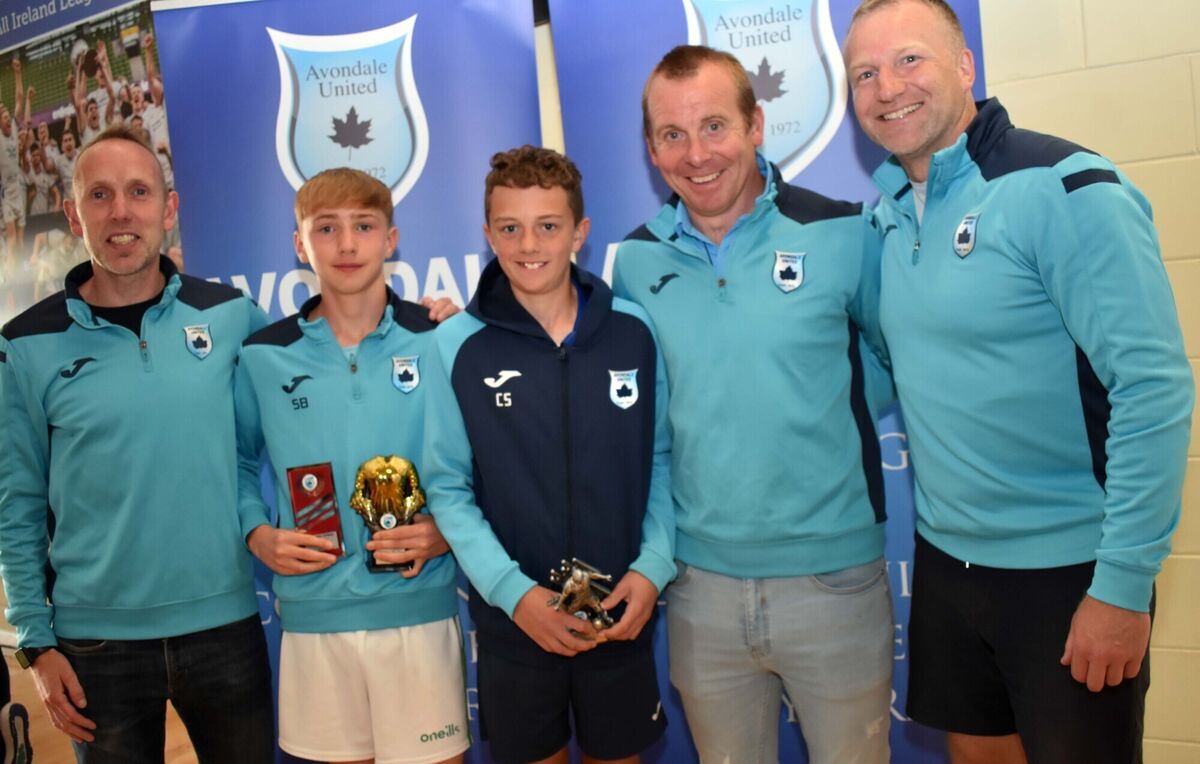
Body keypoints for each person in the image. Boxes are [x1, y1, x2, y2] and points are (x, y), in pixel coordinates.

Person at [842, 2, 1194, 762]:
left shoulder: (1063, 187)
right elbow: (886, 367)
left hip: (1069, 572)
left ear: (964, 65)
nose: (887, 87)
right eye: (864, 74)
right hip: (949, 566)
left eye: (909, 59)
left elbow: (1153, 389)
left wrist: (1121, 584)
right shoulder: (888, 217)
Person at [611, 45, 892, 763]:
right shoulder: (634, 262)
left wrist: (812, 408)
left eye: (714, 126)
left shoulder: (843, 231)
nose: (696, 154)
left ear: (756, 125)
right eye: (672, 135)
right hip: (700, 587)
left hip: (834, 582)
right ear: (651, 149)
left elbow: (896, 358)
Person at [0, 122, 275, 762]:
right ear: (73, 215)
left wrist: (430, 331)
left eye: (138, 192)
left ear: (168, 209)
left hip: (226, 628)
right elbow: (17, 502)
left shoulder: (233, 314)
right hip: (95, 647)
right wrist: (35, 641)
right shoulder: (25, 344)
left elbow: (318, 374)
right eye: (99, 195)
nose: (121, 212)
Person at [424, 145, 675, 764]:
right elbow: (447, 487)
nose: (528, 244)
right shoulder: (456, 344)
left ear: (579, 233)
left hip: (619, 612)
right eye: (510, 228)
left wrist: (653, 566)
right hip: (516, 624)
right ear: (488, 235)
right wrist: (513, 593)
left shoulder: (633, 332)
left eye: (548, 226)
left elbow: (661, 460)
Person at [235, 167, 469, 764]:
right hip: (314, 616)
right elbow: (235, 460)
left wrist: (447, 531)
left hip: (418, 610)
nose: (346, 244)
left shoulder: (440, 338)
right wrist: (257, 533)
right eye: (326, 228)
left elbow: (486, 460)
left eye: (363, 226)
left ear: (391, 239)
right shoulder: (263, 355)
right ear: (299, 244)